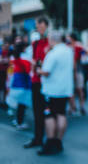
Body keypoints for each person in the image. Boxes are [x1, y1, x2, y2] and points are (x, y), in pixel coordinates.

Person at [37, 31, 74, 155]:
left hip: (51, 90)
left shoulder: (53, 53)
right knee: (61, 114)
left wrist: (38, 70)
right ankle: (58, 141)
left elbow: (46, 71)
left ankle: (49, 142)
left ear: (52, 40)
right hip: (64, 89)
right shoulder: (68, 51)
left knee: (49, 115)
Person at [24, 17, 50, 149]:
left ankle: (49, 140)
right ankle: (38, 138)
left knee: (48, 112)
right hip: (36, 80)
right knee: (37, 111)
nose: (38, 27)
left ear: (46, 25)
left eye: (40, 24)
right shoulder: (35, 43)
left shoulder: (49, 42)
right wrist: (34, 63)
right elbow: (34, 60)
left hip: (47, 82)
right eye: (37, 25)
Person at [8, 42, 32, 129]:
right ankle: (20, 122)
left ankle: (17, 120)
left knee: (18, 103)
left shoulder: (14, 57)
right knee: (22, 103)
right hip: (23, 82)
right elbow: (28, 70)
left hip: (15, 81)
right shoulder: (25, 58)